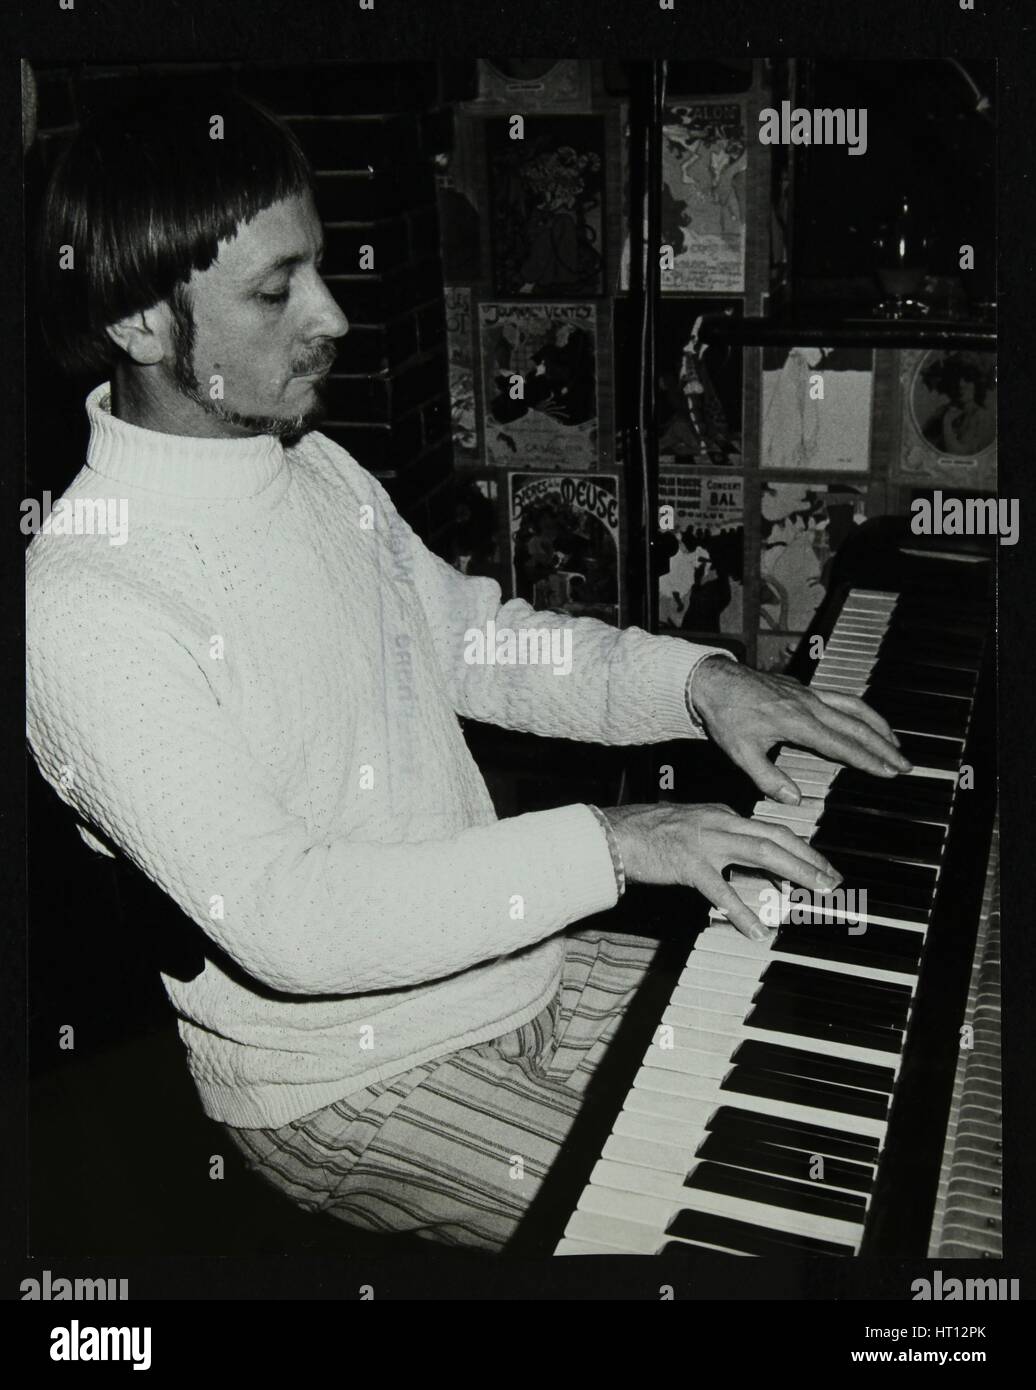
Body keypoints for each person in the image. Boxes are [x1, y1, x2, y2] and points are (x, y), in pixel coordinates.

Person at [26, 87, 910, 1254]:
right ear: (140, 321)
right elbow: (289, 917)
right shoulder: (85, 605)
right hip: (353, 1081)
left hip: (512, 968)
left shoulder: (312, 468)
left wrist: (698, 681)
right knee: (758, 1248)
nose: (333, 316)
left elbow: (480, 645)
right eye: (275, 290)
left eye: (323, 270)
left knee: (865, 1080)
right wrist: (616, 839)